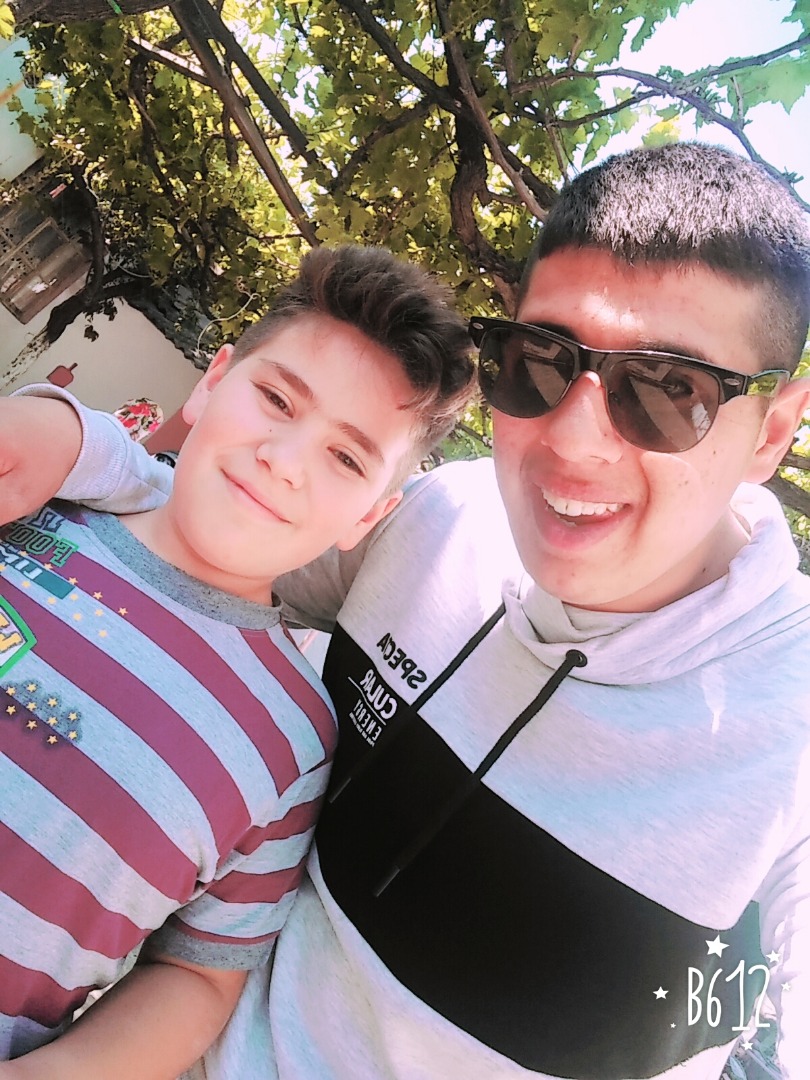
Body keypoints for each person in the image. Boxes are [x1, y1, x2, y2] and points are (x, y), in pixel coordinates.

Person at [4, 142, 810, 1080]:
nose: (575, 443)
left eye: (670, 389)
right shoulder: (437, 522)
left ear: (773, 431)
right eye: (541, 363)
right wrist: (76, 442)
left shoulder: (792, 735)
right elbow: (211, 537)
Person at [0, 243, 475, 1078]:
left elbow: (198, 975)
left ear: (369, 516)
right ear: (213, 380)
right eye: (276, 399)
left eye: (346, 458)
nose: (283, 463)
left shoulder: (294, 743)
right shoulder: (33, 496)